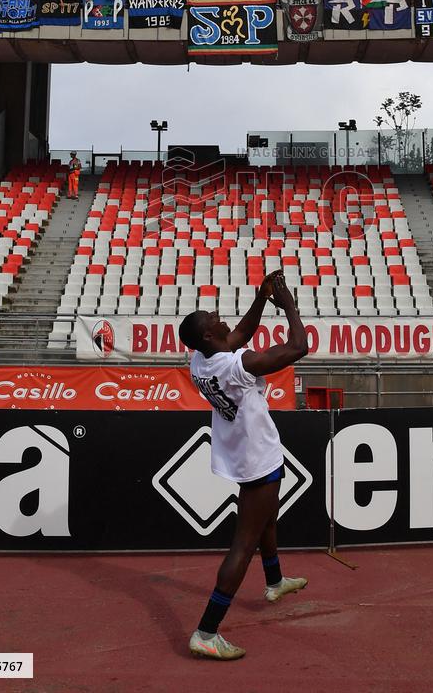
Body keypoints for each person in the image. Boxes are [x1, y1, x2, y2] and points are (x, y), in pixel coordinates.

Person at [179, 271, 309, 661]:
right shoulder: (237, 366)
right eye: (212, 317)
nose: (219, 317)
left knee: (266, 516)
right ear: (207, 335)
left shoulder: (200, 361)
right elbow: (298, 347)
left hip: (239, 451)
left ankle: (274, 581)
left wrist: (259, 298)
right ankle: (206, 631)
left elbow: (236, 335)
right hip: (256, 455)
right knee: (243, 543)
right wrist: (286, 304)